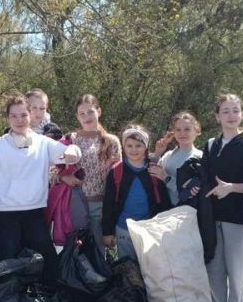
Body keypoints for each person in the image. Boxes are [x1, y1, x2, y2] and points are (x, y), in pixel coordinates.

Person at [0, 95, 81, 284]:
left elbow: (72, 154)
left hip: (34, 213)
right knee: (6, 266)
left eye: (23, 115)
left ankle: (47, 296)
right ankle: (8, 299)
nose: (19, 120)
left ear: (31, 115)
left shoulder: (42, 142)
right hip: (4, 215)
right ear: (8, 118)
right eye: (14, 116)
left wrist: (71, 152)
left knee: (48, 263)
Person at [198, 94, 243, 302]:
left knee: (237, 272)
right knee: (215, 271)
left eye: (235, 111)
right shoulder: (211, 145)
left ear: (242, 114)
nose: (231, 115)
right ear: (217, 116)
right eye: (225, 111)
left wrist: (232, 188)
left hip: (239, 218)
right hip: (212, 217)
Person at [62, 94, 121, 256]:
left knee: (98, 251)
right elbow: (53, 169)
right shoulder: (70, 139)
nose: (86, 117)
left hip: (101, 205)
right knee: (77, 251)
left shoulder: (111, 141)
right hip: (75, 203)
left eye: (90, 112)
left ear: (99, 111)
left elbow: (117, 177)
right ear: (77, 116)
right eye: (82, 113)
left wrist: (110, 209)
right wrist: (64, 177)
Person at [101, 125, 172, 261]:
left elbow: (163, 201)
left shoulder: (154, 170)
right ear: (123, 147)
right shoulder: (116, 171)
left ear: (145, 147)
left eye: (138, 145)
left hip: (149, 228)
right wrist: (107, 232)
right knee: (128, 266)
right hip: (124, 228)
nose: (134, 150)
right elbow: (108, 203)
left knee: (150, 266)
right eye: (129, 145)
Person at [150, 112, 202, 207]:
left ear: (197, 131)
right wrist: (157, 153)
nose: (182, 133)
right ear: (174, 132)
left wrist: (166, 178)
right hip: (162, 208)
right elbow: (151, 175)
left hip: (184, 210)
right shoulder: (168, 155)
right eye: (178, 130)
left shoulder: (199, 157)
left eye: (187, 129)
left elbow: (190, 193)